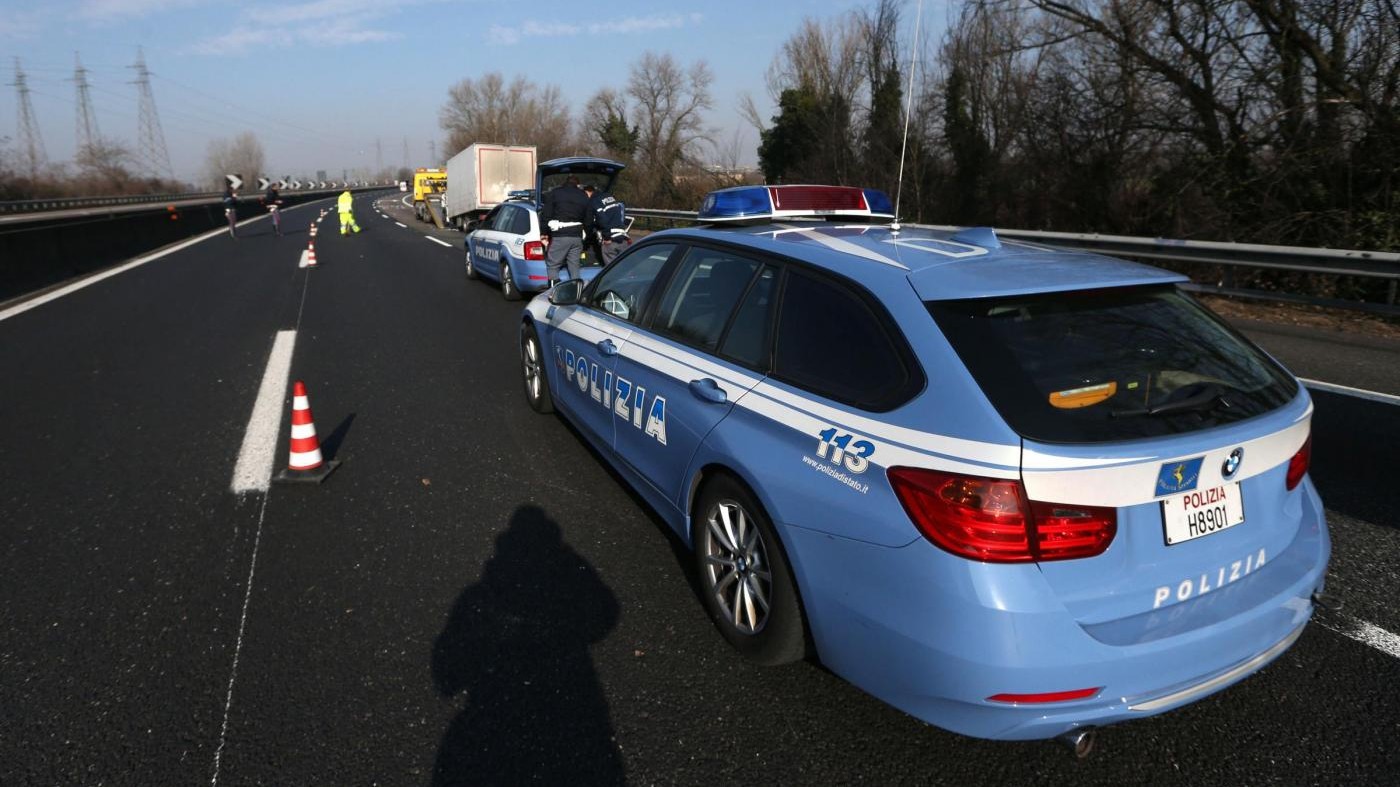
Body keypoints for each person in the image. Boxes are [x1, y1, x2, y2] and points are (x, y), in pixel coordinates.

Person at [539, 175, 593, 285]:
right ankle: (576, 292)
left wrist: (544, 232)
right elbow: (589, 220)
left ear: (565, 183)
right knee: (574, 267)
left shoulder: (555, 193)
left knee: (553, 265)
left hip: (560, 235)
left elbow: (546, 214)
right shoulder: (583, 196)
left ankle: (553, 293)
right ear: (577, 185)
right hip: (577, 236)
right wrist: (587, 235)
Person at [584, 184, 629, 264]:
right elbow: (621, 213)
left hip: (610, 239)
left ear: (588, 192)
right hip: (622, 237)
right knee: (623, 267)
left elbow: (601, 219)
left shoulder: (594, 201)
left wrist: (607, 236)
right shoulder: (610, 197)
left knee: (610, 270)